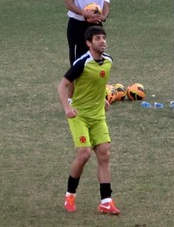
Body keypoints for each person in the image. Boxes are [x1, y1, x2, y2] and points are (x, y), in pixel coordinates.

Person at [57, 26, 120, 215]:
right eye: (97, 38)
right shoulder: (82, 62)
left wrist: (102, 99)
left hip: (98, 115)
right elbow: (62, 85)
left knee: (104, 153)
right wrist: (67, 107)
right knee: (84, 154)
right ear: (88, 43)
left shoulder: (108, 61)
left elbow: (95, 84)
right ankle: (70, 194)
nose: (102, 41)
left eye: (103, 38)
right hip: (79, 115)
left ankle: (106, 201)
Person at [65, 0, 111, 67]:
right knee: (77, 61)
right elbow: (68, 3)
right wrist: (83, 13)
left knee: (97, 56)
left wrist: (104, 16)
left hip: (96, 24)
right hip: (77, 24)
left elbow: (106, 4)